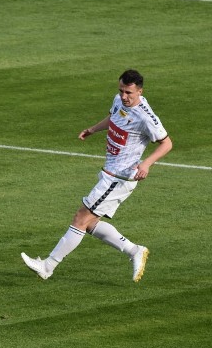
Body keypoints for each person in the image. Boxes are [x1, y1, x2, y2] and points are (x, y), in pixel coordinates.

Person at [21, 69, 172, 282]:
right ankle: (134, 250)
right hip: (109, 173)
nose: (124, 96)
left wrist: (146, 164)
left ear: (140, 91)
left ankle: (48, 266)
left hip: (120, 178)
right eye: (121, 90)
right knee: (90, 223)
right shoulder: (120, 101)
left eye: (129, 92)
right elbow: (114, 118)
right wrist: (93, 129)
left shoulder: (146, 117)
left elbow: (167, 143)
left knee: (80, 218)